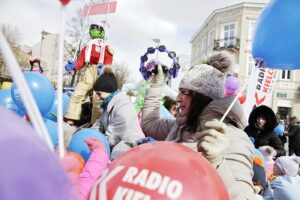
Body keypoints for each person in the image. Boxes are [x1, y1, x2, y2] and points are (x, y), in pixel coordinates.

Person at [141, 52, 255, 199]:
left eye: (184, 92)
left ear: (202, 96)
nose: (177, 98)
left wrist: (218, 164)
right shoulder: (182, 126)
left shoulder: (232, 136)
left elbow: (243, 197)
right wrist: (156, 85)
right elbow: (150, 124)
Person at [64, 23, 114, 126]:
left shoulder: (106, 48)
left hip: (101, 71)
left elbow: (109, 59)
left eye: (96, 29)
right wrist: (74, 66)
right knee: (79, 91)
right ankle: (71, 116)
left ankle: (96, 123)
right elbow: (81, 61)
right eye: (92, 29)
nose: (93, 30)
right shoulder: (87, 48)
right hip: (90, 69)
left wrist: (105, 67)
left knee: (98, 99)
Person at [92, 68, 145, 156]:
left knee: (115, 155)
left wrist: (99, 144)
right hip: (117, 144)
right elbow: (99, 125)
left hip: (132, 144)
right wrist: (89, 134)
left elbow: (114, 135)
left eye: (99, 93)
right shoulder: (108, 106)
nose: (98, 97)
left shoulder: (123, 105)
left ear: (108, 90)